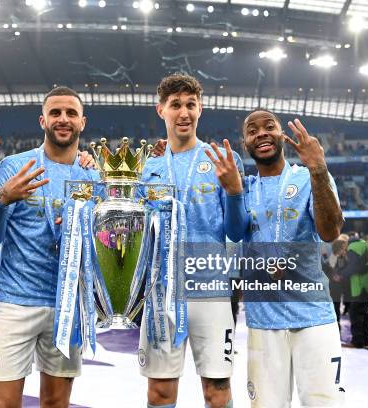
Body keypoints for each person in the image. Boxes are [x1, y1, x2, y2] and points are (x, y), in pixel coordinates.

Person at [0, 86, 98, 408]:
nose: (63, 119)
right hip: (14, 303)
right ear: (42, 120)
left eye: (71, 113)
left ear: (82, 122)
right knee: (3, 405)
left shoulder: (93, 175)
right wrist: (2, 199)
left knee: (55, 404)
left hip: (67, 306)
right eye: (55, 113)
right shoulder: (13, 167)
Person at [138, 73, 247, 408]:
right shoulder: (147, 166)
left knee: (217, 390)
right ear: (161, 110)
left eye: (190, 105)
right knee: (160, 390)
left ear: (201, 109)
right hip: (160, 293)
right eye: (176, 105)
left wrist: (232, 190)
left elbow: (236, 231)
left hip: (210, 289)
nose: (183, 112)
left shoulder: (221, 160)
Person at [241, 109, 344, 407]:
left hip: (313, 318)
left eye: (268, 126)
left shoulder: (309, 176)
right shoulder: (244, 188)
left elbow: (330, 231)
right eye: (252, 130)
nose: (261, 133)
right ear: (245, 142)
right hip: (263, 323)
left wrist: (319, 169)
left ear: (281, 135)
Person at [333, 233, 368, 349]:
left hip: (362, 285)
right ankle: (366, 341)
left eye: (342, 253)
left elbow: (353, 267)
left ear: (343, 247)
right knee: (363, 312)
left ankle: (357, 341)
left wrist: (340, 274)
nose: (344, 255)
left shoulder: (353, 248)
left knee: (355, 312)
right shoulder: (362, 244)